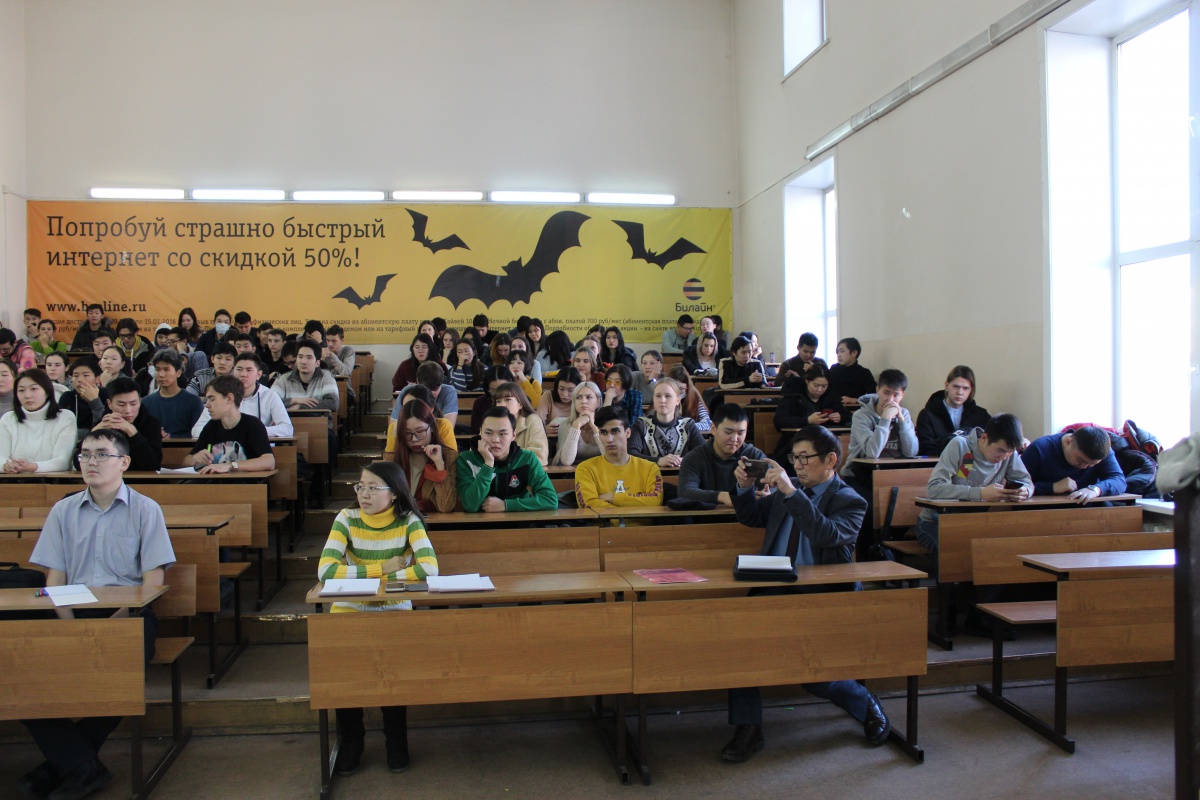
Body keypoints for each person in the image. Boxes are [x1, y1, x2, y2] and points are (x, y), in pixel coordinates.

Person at [19, 429, 175, 800]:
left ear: (124, 462)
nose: (91, 461)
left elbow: (152, 582)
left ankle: (67, 763)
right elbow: (55, 578)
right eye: (85, 454)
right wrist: (69, 626)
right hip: (69, 611)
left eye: (101, 454)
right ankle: (80, 764)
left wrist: (115, 624)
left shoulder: (145, 510)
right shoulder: (63, 511)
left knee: (123, 670)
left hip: (129, 614)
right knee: (16, 672)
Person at [721, 425, 889, 762]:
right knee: (740, 647)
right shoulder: (791, 491)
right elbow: (751, 516)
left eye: (804, 458)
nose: (797, 466)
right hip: (775, 590)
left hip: (821, 597)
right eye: (793, 458)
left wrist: (789, 491)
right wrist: (744, 487)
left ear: (830, 460)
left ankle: (864, 702)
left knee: (815, 677)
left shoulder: (850, 500)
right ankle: (749, 727)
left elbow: (825, 534)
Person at [317, 461, 437, 776]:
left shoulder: (409, 521)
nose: (364, 494)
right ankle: (352, 741)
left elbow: (429, 568)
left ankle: (396, 739)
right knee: (347, 678)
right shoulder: (346, 518)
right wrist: (381, 570)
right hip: (349, 608)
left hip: (393, 608)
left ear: (394, 493)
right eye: (360, 487)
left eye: (373, 488)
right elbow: (326, 571)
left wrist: (374, 582)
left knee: (393, 677)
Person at [915, 413, 1032, 552]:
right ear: (984, 438)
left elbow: (1027, 482)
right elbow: (934, 489)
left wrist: (1025, 490)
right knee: (957, 550)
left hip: (974, 522)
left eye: (1010, 452)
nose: (1004, 457)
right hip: (935, 521)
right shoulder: (960, 445)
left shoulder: (1008, 455)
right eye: (1000, 450)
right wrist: (981, 493)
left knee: (1004, 547)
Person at [457, 407, 557, 512]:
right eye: (488, 433)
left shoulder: (527, 459)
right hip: (479, 522)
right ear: (480, 432)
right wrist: (488, 464)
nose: (495, 440)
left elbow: (550, 500)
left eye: (503, 434)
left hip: (519, 521)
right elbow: (470, 505)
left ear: (513, 435)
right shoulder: (466, 460)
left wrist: (506, 505)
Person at [184, 375, 276, 473]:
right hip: (216, 482)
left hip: (246, 482)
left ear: (229, 398)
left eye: (212, 399)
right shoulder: (211, 426)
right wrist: (194, 458)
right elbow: (185, 462)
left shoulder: (252, 424)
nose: (207, 405)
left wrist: (230, 465)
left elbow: (269, 461)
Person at [575, 407, 664, 508]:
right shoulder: (585, 469)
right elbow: (589, 504)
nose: (609, 439)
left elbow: (655, 501)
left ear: (628, 433)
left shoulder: (650, 468)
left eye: (615, 431)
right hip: (606, 520)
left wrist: (613, 497)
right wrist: (633, 504)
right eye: (604, 433)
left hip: (636, 521)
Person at [678, 403, 765, 506]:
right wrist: (722, 497)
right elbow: (685, 492)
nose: (734, 439)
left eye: (740, 433)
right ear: (713, 429)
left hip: (747, 515)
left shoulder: (754, 455)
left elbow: (769, 488)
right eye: (728, 432)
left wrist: (768, 495)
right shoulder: (695, 457)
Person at [191, 352, 293, 438]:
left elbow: (287, 429)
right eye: (239, 369)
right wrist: (225, 433)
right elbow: (196, 430)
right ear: (233, 371)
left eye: (249, 370)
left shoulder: (270, 395)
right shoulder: (221, 394)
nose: (243, 374)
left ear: (259, 374)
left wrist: (254, 431)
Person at [1021, 425, 1127, 502]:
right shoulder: (1039, 448)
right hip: (1044, 510)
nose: (1084, 467)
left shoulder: (1103, 451)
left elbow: (1119, 480)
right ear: (1068, 442)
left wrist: (1095, 489)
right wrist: (1052, 487)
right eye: (1080, 460)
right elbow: (1018, 486)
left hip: (1087, 509)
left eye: (1091, 464)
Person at [0, 368, 76, 472]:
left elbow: (63, 461)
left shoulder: (65, 417)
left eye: (34, 389)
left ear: (47, 391)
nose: (27, 395)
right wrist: (5, 466)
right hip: (13, 479)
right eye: (21, 390)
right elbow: (1, 458)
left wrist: (32, 467)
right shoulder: (8, 419)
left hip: (53, 480)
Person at [390, 399, 459, 513]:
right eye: (407, 433)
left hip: (433, 522)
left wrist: (439, 465)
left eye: (420, 431)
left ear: (432, 428)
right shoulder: (394, 458)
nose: (414, 439)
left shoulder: (449, 457)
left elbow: (445, 506)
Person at [842, 368, 918, 469]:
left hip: (896, 471)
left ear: (902, 395)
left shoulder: (904, 414)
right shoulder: (861, 415)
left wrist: (901, 420)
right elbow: (872, 453)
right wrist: (885, 419)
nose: (890, 400)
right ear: (877, 390)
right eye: (886, 393)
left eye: (896, 395)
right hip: (862, 471)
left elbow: (911, 452)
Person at [90, 376, 163, 471]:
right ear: (109, 404)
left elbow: (154, 463)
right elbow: (79, 462)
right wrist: (93, 434)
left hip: (141, 478)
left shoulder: (151, 423)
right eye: (121, 404)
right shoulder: (104, 422)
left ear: (140, 401)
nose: (128, 410)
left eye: (133, 404)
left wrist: (132, 432)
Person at [916, 366, 991, 457]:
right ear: (947, 386)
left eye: (965, 388)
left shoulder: (981, 415)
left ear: (971, 390)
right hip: (938, 463)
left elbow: (991, 444)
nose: (960, 392)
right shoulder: (927, 415)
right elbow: (926, 449)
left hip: (973, 464)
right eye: (956, 387)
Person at [632, 378, 705, 468]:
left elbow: (704, 452)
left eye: (668, 396)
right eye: (658, 396)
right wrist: (658, 461)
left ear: (678, 400)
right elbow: (631, 454)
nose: (662, 400)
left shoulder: (688, 424)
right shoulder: (641, 424)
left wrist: (684, 460)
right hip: (649, 475)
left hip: (682, 475)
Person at [272, 338, 339, 423]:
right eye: (300, 357)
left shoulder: (326, 377)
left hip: (318, 425)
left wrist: (300, 407)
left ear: (317, 363)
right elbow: (270, 401)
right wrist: (294, 400)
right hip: (289, 425)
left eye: (309, 358)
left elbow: (332, 403)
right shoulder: (284, 379)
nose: (303, 361)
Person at [142, 349, 204, 439]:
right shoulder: (146, 403)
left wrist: (171, 437)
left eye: (166, 369)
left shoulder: (193, 402)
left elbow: (199, 435)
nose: (161, 375)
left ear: (178, 372)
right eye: (157, 369)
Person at [384, 386, 458, 456]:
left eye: (420, 431)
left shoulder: (443, 425)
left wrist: (439, 462)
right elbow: (389, 461)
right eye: (405, 407)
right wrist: (395, 434)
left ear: (430, 409)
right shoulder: (395, 427)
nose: (410, 410)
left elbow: (451, 458)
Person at [774, 362, 842, 434]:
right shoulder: (794, 394)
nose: (820, 390)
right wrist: (807, 420)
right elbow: (779, 422)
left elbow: (846, 415)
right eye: (816, 385)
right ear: (807, 381)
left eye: (824, 386)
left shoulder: (830, 395)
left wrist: (840, 417)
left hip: (825, 437)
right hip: (797, 437)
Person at [492, 381, 549, 466]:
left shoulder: (532, 420)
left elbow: (540, 456)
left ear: (520, 403)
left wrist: (506, 458)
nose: (502, 405)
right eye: (498, 401)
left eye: (508, 400)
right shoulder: (491, 422)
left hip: (524, 472)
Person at [393, 361, 459, 428]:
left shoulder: (449, 391)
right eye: (428, 388)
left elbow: (447, 428)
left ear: (442, 382)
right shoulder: (408, 392)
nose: (432, 393)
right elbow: (393, 426)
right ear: (418, 382)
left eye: (436, 388)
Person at [554, 381, 605, 466]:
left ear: (598, 402)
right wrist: (576, 426)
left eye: (589, 397)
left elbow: (611, 458)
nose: (583, 401)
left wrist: (594, 427)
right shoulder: (565, 425)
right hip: (573, 472)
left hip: (601, 471)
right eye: (579, 397)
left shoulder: (607, 425)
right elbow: (566, 461)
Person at [58, 357, 109, 436]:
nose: (80, 379)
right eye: (76, 375)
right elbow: (61, 427)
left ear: (97, 379)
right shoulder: (67, 397)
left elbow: (105, 427)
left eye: (85, 375)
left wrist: (95, 401)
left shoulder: (106, 395)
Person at [828, 337, 876, 418]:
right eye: (837, 352)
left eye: (842, 351)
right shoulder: (834, 369)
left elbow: (873, 395)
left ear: (854, 353)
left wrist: (854, 400)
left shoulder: (864, 373)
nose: (838, 355)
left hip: (855, 412)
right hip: (834, 410)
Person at [536, 366, 581, 441]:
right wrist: (543, 429)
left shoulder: (581, 400)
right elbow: (537, 422)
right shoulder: (548, 396)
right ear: (556, 386)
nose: (565, 394)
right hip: (550, 441)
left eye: (570, 390)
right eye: (561, 389)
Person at [668, 364, 712, 431]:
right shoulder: (662, 399)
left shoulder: (694, 396)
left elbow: (707, 423)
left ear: (687, 387)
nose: (677, 392)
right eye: (673, 388)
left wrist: (686, 426)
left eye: (681, 389)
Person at [469, 365, 513, 432]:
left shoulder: (517, 400)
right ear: (487, 388)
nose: (498, 394)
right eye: (493, 390)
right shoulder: (480, 403)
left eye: (502, 389)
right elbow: (476, 430)